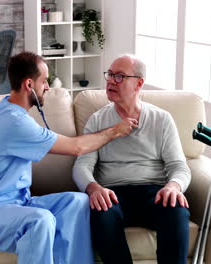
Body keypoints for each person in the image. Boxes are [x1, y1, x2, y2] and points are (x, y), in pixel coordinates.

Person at [0, 51, 138, 264]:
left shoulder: (13, 111)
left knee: (78, 202)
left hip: (20, 204)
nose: (48, 87)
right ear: (29, 85)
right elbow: (77, 147)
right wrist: (115, 131)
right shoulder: (13, 122)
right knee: (40, 220)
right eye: (44, 81)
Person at [73, 54, 191, 264]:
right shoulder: (98, 119)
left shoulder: (161, 119)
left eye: (119, 76)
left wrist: (174, 186)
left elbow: (179, 166)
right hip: (113, 194)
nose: (110, 81)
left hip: (154, 192)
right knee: (101, 212)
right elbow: (82, 165)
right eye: (109, 74)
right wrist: (94, 188)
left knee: (176, 210)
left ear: (139, 83)